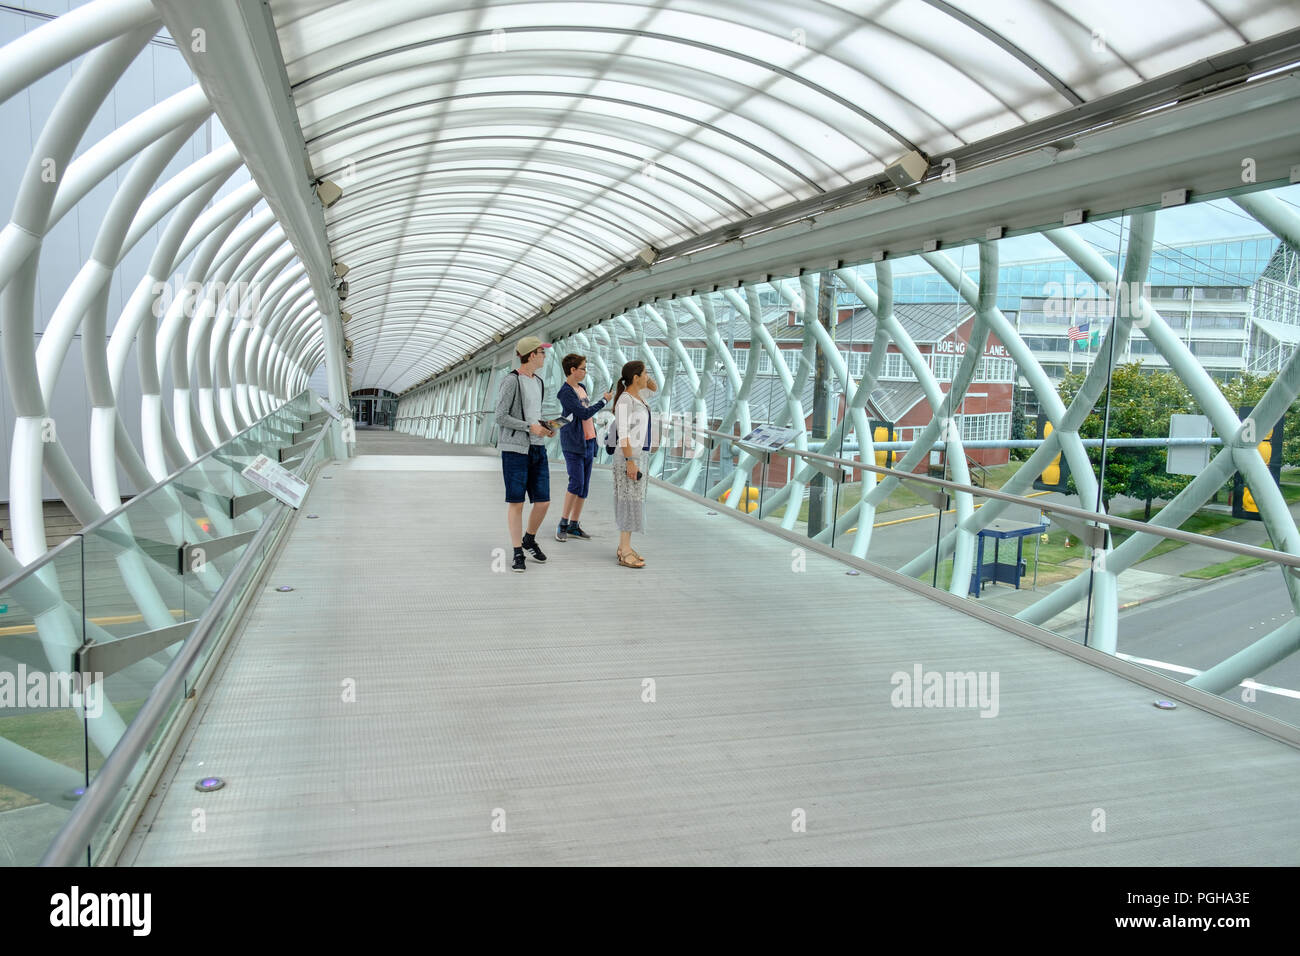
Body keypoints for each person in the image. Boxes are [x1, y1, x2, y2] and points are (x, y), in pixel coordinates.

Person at [495, 336, 555, 572]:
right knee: (517, 502)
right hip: (515, 450)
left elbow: (533, 415)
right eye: (542, 352)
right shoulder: (511, 381)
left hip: (538, 447)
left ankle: (529, 538)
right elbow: (500, 416)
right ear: (531, 355)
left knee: (543, 501)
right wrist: (529, 427)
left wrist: (545, 427)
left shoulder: (539, 382)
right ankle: (517, 550)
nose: (544, 356)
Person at [555, 354, 612, 541]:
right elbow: (584, 413)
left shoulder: (582, 388)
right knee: (576, 482)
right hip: (573, 443)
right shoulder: (565, 392)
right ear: (573, 370)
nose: (585, 372)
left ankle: (574, 524)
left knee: (584, 486)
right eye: (583, 368)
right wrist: (603, 401)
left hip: (588, 441)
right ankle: (562, 523)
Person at [609, 360, 657, 568]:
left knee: (634, 501)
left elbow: (653, 387)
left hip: (639, 456)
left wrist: (644, 376)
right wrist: (630, 461)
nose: (648, 377)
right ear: (635, 377)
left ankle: (625, 546)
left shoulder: (640, 396)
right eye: (644, 374)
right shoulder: (625, 400)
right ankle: (624, 550)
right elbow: (623, 434)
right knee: (627, 502)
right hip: (628, 458)